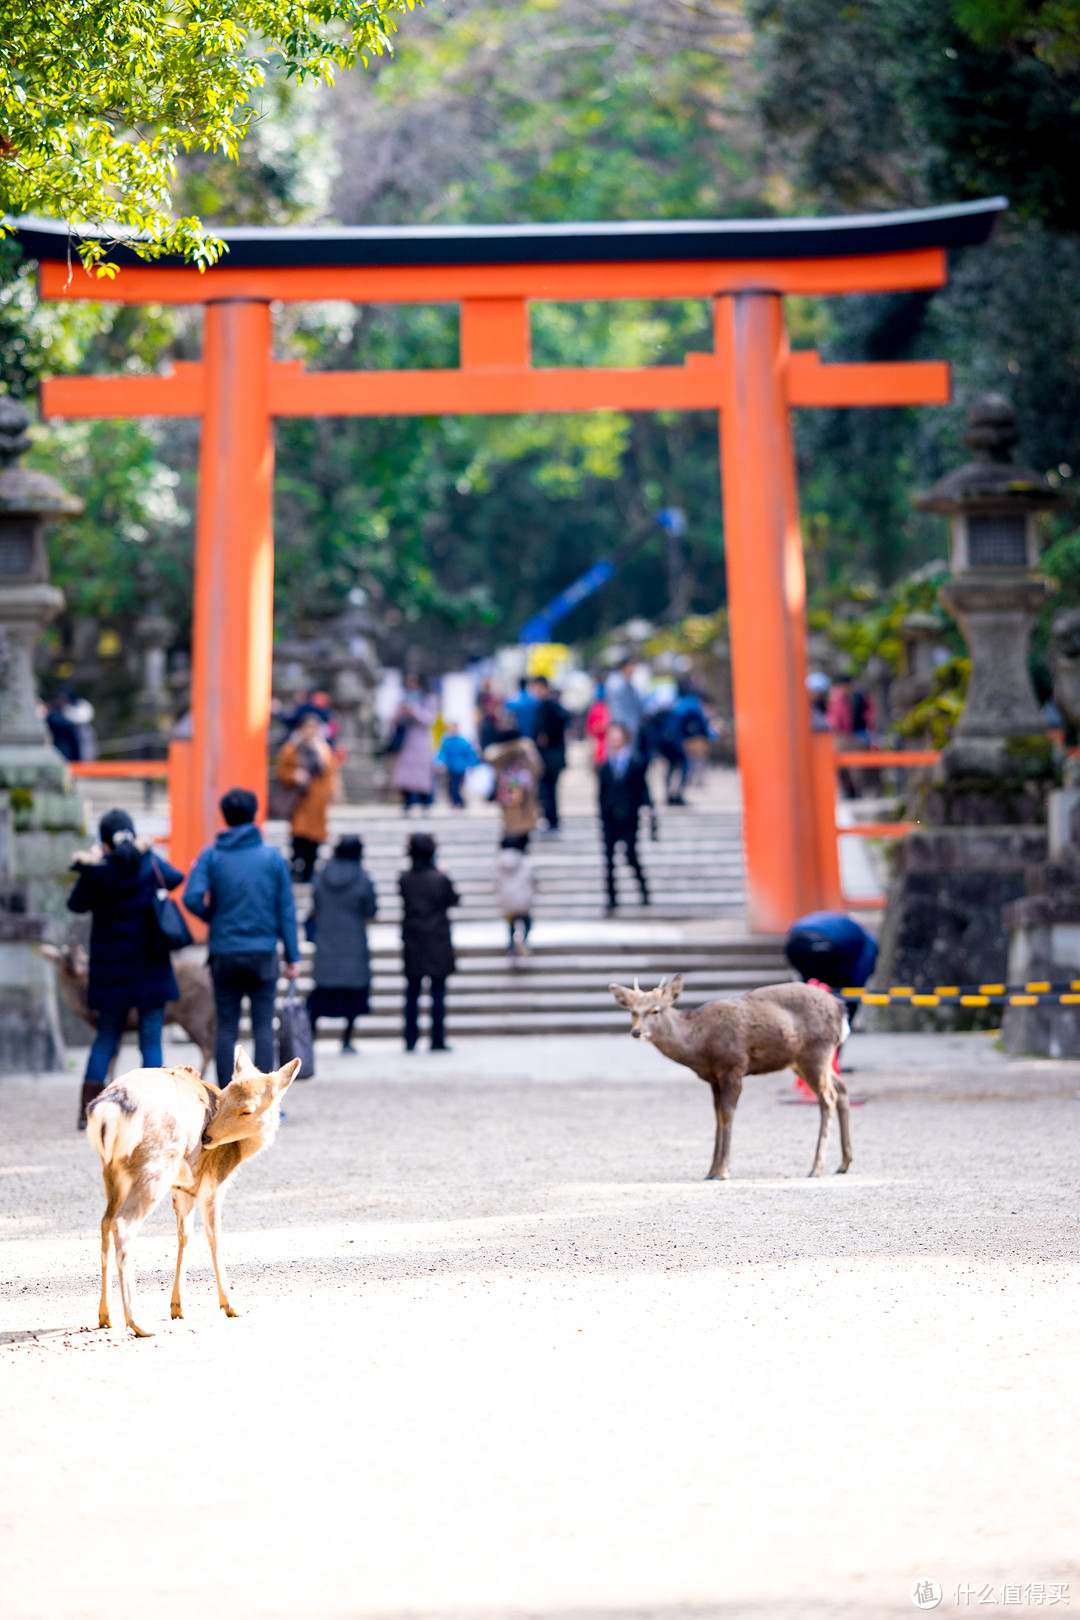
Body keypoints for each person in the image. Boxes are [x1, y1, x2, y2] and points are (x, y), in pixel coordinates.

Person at [67, 809, 185, 1128]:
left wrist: (92, 863)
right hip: (151, 968)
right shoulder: (149, 863)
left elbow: (75, 904)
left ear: (103, 843)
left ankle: (88, 1112)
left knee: (106, 1038)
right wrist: (147, 853)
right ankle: (153, 1112)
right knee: (151, 1039)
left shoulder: (97, 872)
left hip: (112, 972)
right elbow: (175, 878)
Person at [183, 787, 301, 1085]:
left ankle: (226, 1098)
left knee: (226, 1027)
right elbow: (286, 910)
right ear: (254, 814)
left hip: (224, 952)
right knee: (263, 1025)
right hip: (263, 952)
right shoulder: (272, 858)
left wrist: (215, 917)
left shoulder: (211, 855)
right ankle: (263, 1100)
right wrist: (293, 957)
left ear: (225, 816)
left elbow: (191, 897)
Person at [307, 836, 377, 1054]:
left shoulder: (321, 875)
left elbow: (316, 902)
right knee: (353, 994)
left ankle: (311, 1037)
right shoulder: (363, 878)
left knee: (321, 993)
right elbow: (371, 909)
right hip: (354, 942)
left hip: (326, 939)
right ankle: (346, 1039)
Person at [399, 831, 458, 1052]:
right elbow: (453, 899)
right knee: (438, 992)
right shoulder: (439, 879)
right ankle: (437, 1038)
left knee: (412, 991)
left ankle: (410, 1038)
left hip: (414, 938)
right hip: (437, 939)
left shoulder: (405, 878)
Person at [598, 722, 652, 914]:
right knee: (609, 860)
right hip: (610, 818)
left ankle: (643, 888)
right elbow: (601, 793)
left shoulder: (636, 762)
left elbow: (643, 789)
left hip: (629, 817)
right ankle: (611, 898)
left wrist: (649, 811)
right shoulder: (605, 765)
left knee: (630, 855)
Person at [276, 712, 338, 882]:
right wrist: (294, 775)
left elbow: (330, 773)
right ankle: (297, 869)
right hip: (299, 800)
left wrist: (330, 794)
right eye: (307, 727)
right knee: (299, 838)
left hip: (318, 802)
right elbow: (282, 771)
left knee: (314, 841)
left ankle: (309, 873)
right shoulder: (291, 748)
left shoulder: (323, 749)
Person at [484, 729, 543, 842]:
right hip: (508, 799)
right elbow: (488, 756)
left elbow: (537, 768)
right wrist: (511, 747)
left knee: (524, 829)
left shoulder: (526, 750)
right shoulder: (501, 754)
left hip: (525, 799)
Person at [391, 673, 437, 813]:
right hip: (406, 741)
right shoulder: (402, 699)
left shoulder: (426, 699)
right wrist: (400, 712)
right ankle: (408, 801)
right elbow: (392, 719)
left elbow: (430, 719)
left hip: (421, 741)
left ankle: (425, 801)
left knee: (422, 775)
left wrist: (414, 711)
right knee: (405, 776)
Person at [532, 675, 568, 833]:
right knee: (546, 789)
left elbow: (561, 722)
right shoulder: (543, 706)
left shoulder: (552, 706)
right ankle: (549, 818)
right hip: (547, 755)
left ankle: (552, 820)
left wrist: (547, 734)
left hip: (552, 756)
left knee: (550, 789)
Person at [495, 832, 536, 959]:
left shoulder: (498, 863)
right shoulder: (526, 862)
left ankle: (512, 945)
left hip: (507, 900)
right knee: (527, 922)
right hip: (524, 899)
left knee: (510, 923)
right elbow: (534, 879)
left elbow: (496, 882)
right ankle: (523, 940)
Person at [434, 722, 479, 809]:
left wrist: (471, 765)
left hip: (460, 768)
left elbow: (469, 754)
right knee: (451, 785)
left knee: (457, 785)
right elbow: (443, 753)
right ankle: (456, 801)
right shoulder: (446, 741)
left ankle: (459, 801)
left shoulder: (462, 741)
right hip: (450, 768)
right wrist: (439, 762)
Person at [605, 656, 644, 743]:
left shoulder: (627, 681)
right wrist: (619, 726)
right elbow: (615, 706)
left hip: (631, 726)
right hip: (622, 728)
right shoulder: (615, 682)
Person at [585, 686, 610, 768]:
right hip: (596, 740)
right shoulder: (596, 708)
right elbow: (590, 726)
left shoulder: (606, 707)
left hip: (605, 740)